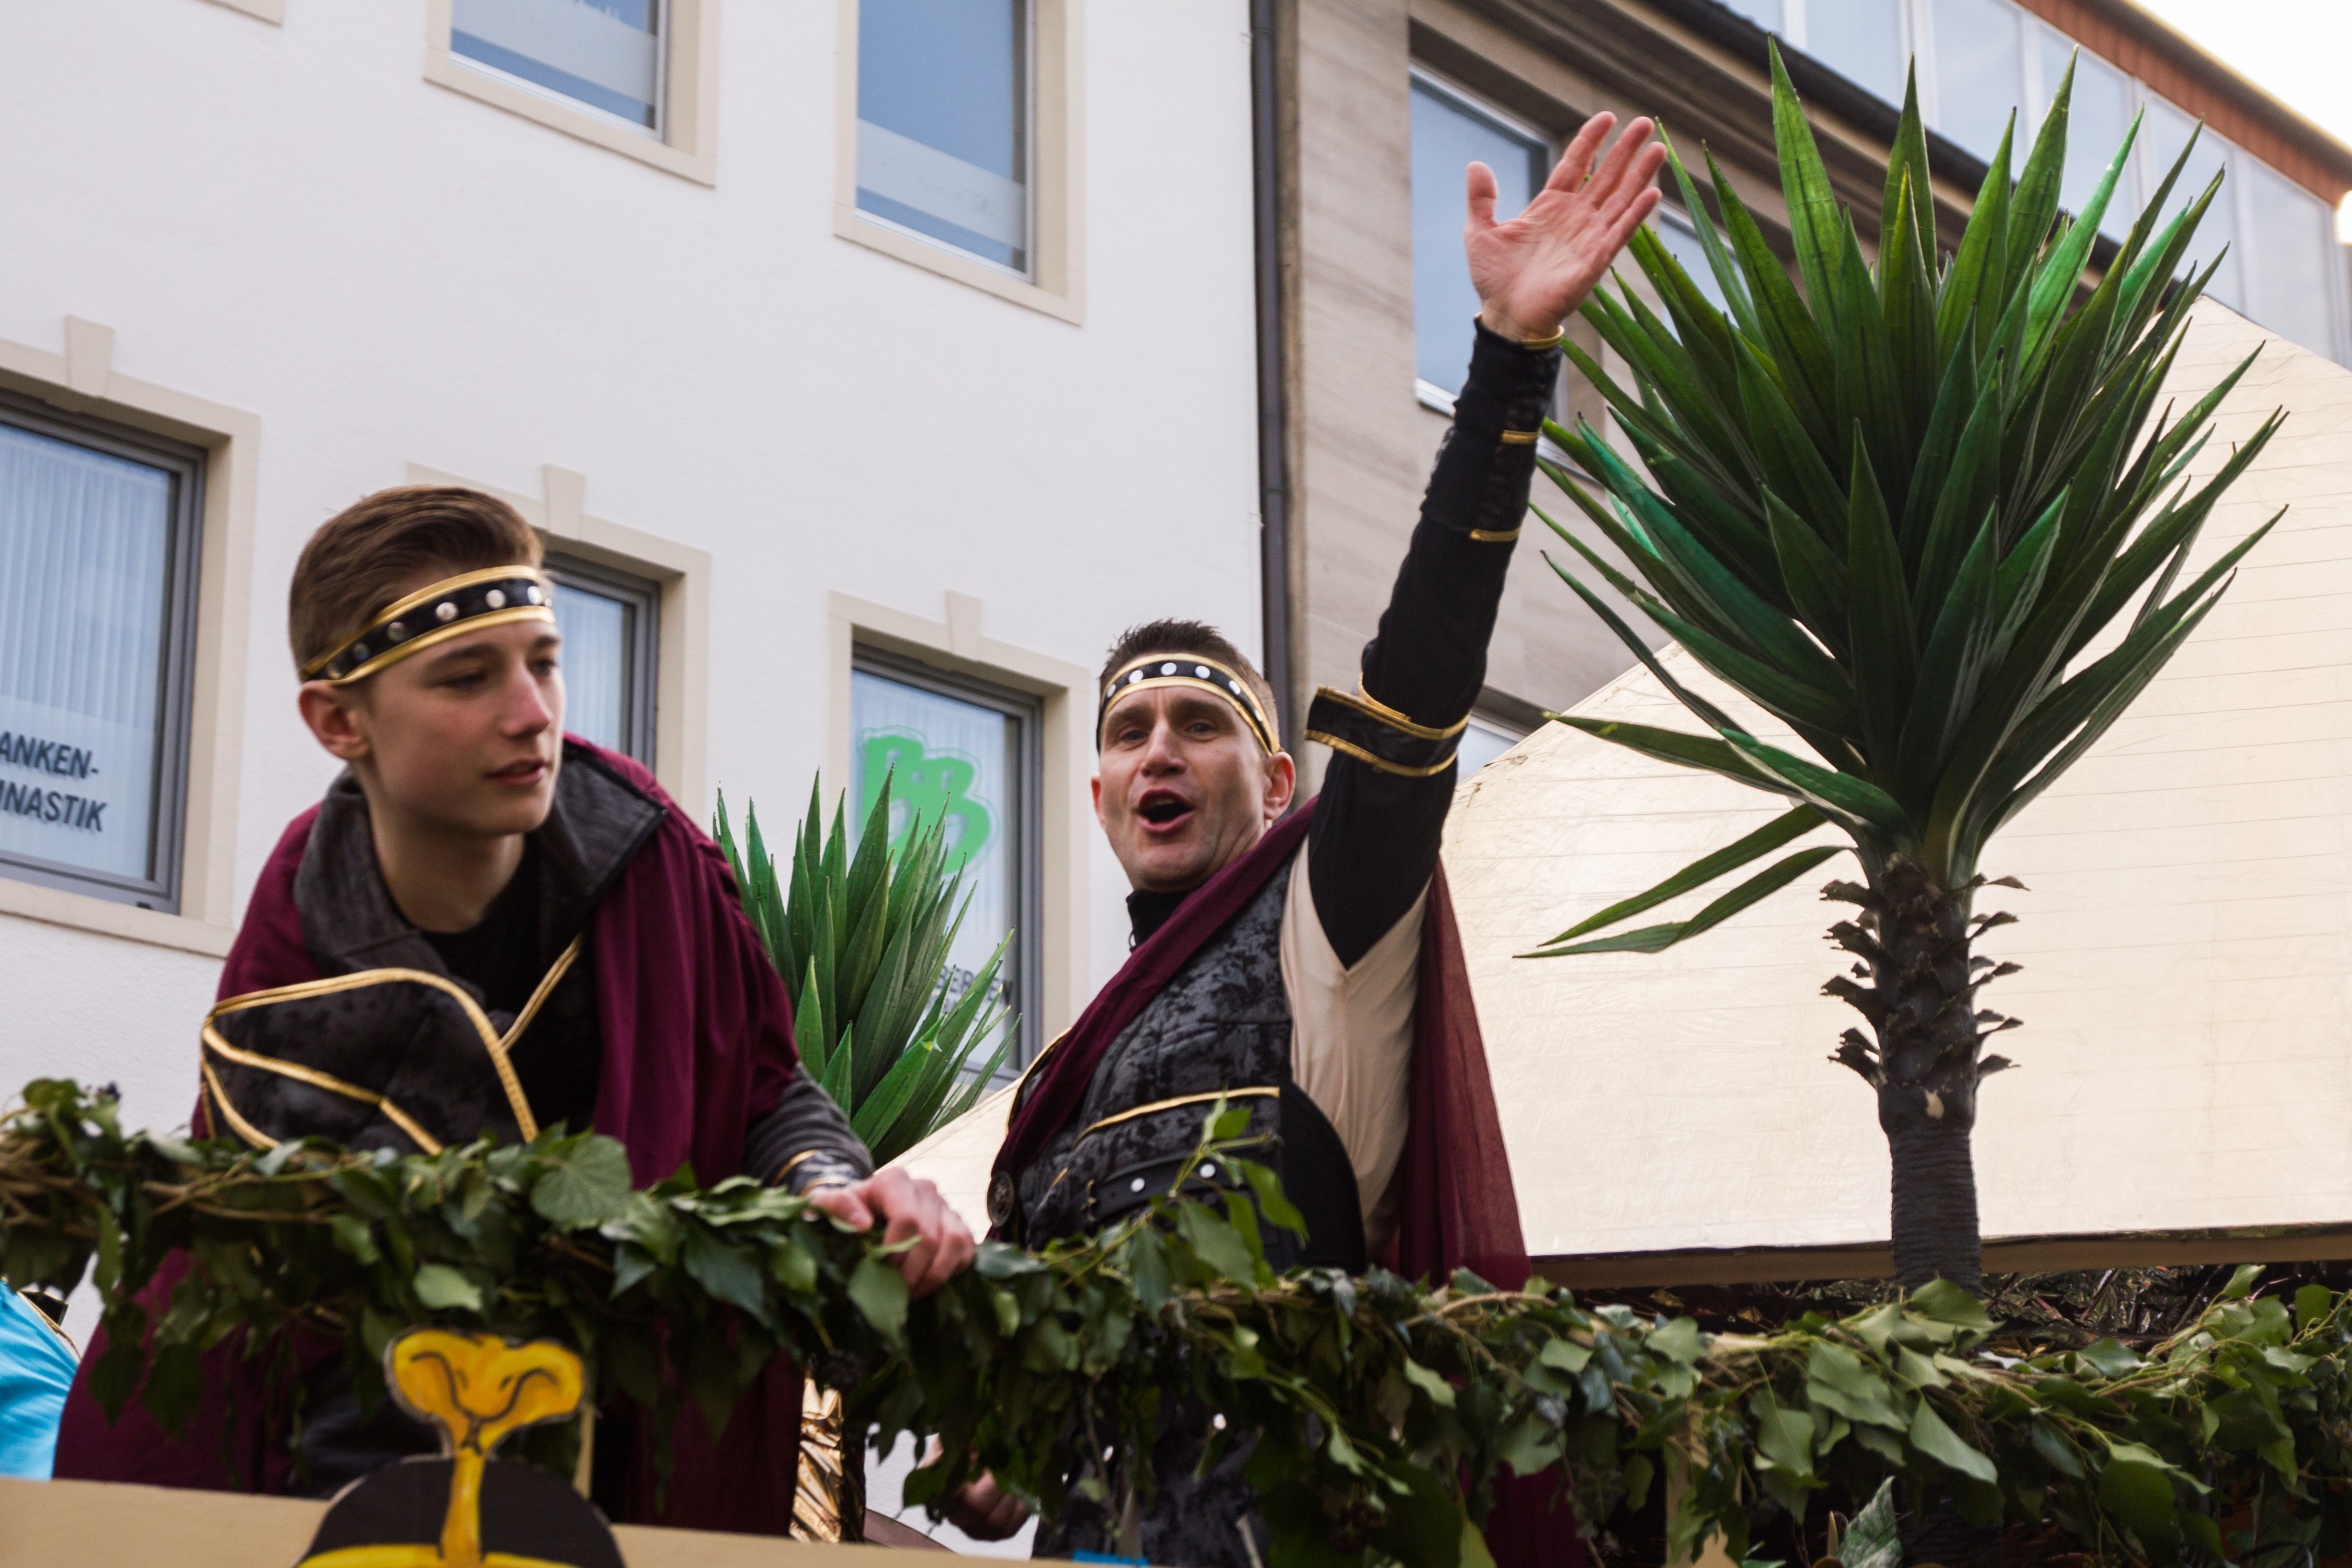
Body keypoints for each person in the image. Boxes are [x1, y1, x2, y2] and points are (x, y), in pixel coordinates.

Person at [950, 110, 1668, 1563]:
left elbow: (1420, 678)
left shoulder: (1323, 929)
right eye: (1128, 731)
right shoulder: (1054, 1093)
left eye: (1196, 724)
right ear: (1098, 796)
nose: (1158, 749)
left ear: (1278, 785)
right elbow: (1005, 1476)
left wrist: (1508, 360)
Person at [51, 487, 973, 1536]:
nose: (533, 712)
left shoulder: (653, 859)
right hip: (354, 1476)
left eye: (544, 661)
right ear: (338, 721)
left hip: (621, 1466)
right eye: (467, 677)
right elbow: (253, 1294)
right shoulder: (296, 933)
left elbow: (764, 1091)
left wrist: (827, 1185)